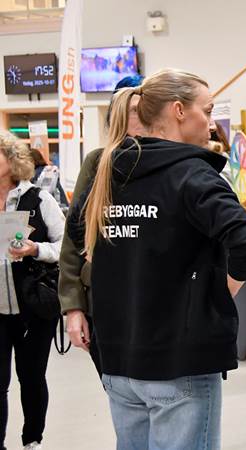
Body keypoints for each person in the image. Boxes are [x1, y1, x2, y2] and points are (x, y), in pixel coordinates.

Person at [66, 68, 246, 449]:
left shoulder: (109, 168)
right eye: (206, 111)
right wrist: (222, 291)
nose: (210, 123)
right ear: (178, 110)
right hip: (179, 360)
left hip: (119, 361)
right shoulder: (192, 174)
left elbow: (78, 235)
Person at [59, 75, 145, 378]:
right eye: (131, 111)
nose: (138, 117)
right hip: (103, 299)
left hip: (153, 301)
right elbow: (73, 241)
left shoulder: (172, 162)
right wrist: (73, 307)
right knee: (120, 394)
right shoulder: (97, 162)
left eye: (144, 109)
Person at [0, 131, 65, 450]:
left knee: (31, 377)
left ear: (12, 160)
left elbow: (65, 245)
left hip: (33, 305)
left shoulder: (38, 198)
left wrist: (35, 249)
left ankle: (32, 440)